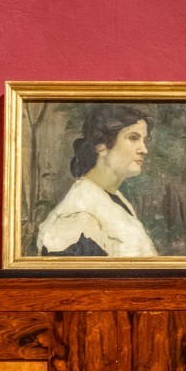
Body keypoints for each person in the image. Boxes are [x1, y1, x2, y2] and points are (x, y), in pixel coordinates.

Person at [36, 105, 158, 257]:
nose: (144, 150)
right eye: (133, 138)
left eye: (144, 140)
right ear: (101, 146)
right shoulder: (78, 214)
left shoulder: (113, 198)